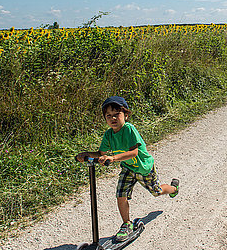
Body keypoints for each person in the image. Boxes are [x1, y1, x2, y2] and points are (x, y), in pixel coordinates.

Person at [76, 96, 179, 242]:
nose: (113, 118)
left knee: (157, 191)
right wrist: (86, 154)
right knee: (121, 194)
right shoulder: (108, 134)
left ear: (126, 115)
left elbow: (134, 152)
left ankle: (174, 189)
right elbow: (101, 154)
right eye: (108, 116)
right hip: (128, 168)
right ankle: (126, 224)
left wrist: (113, 158)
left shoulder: (129, 129)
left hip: (144, 168)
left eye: (116, 114)